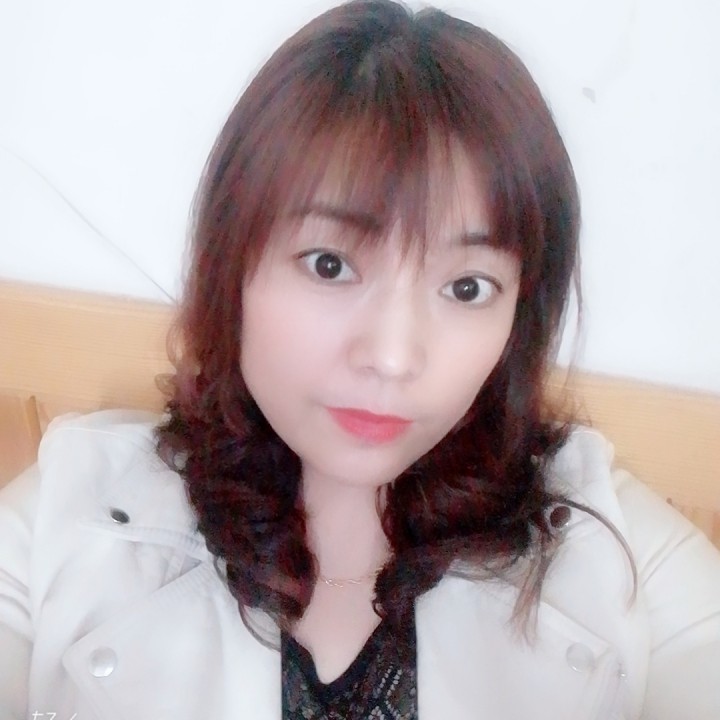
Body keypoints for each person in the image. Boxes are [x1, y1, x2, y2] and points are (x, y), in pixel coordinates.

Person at [1, 1, 719, 718]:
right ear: (233, 267)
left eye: (467, 287)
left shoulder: (622, 555)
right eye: (330, 264)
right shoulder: (60, 523)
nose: (393, 357)